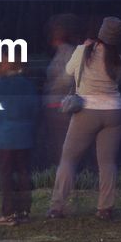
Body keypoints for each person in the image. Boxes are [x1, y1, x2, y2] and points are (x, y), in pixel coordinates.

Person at [49, 16, 121, 220]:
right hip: (114, 113)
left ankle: (57, 207)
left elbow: (67, 71)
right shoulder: (120, 60)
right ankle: (105, 208)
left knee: (68, 160)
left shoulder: (83, 52)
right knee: (107, 163)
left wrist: (83, 48)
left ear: (101, 34)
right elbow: (120, 79)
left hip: (86, 112)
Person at [0, 57, 39, 226]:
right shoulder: (28, 85)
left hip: (4, 138)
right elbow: (34, 109)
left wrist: (0, 108)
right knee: (23, 173)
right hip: (25, 136)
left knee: (6, 175)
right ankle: (24, 211)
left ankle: (8, 213)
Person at [41, 13, 79, 161]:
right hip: (57, 107)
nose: (53, 32)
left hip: (63, 107)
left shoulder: (69, 51)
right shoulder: (61, 51)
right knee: (60, 147)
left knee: (64, 148)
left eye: (57, 29)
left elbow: (68, 78)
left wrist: (51, 88)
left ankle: (68, 179)